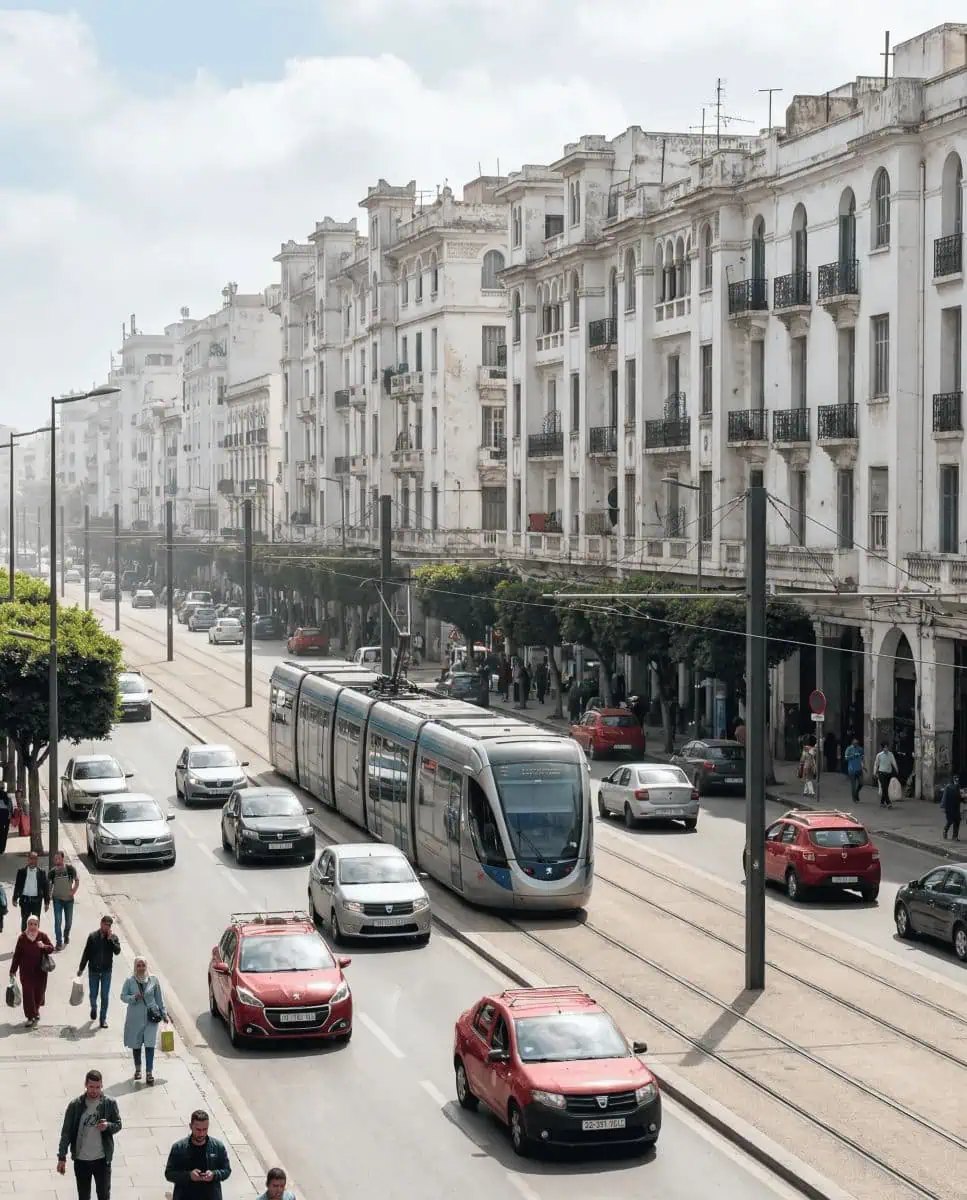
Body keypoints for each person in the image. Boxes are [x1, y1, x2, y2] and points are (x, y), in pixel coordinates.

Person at [56, 1068, 122, 1200]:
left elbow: (118, 1124)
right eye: (91, 1087)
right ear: (85, 1085)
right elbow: (66, 1133)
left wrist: (107, 1126)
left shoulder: (109, 1103)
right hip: (82, 1160)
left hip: (102, 1160)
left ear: (102, 1085)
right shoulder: (75, 1105)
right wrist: (62, 1157)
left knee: (104, 1195)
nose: (94, 1091)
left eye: (97, 1087)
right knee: (84, 1196)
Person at [120, 956, 168, 1085]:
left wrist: (164, 1013)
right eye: (138, 965)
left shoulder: (153, 980)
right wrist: (133, 998)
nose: (141, 968)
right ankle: (138, 1069)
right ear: (135, 967)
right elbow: (123, 996)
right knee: (136, 1044)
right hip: (135, 1018)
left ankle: (149, 1072)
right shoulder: (130, 981)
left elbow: (159, 998)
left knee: (150, 1044)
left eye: (143, 965)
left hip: (151, 1017)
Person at [164, 1109, 232, 1199]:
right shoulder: (179, 1148)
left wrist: (214, 1175)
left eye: (205, 1129)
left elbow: (226, 1170)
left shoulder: (217, 1147)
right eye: (198, 1129)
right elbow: (169, 1174)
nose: (201, 1133)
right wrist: (189, 1176)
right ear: (190, 1126)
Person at [9, 914, 54, 1026]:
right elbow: (17, 955)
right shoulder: (22, 938)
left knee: (39, 993)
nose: (32, 926)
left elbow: (51, 948)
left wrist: (44, 946)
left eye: (35, 924)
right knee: (28, 994)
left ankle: (36, 1010)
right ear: (27, 925)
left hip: (40, 972)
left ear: (38, 925)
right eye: (30, 924)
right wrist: (13, 970)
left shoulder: (42, 936)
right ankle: (30, 1016)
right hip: (26, 972)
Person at [77, 915, 121, 1028]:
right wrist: (81, 968)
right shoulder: (93, 936)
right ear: (101, 923)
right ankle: (94, 1007)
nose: (106, 927)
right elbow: (86, 953)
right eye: (105, 924)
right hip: (93, 971)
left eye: (108, 925)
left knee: (105, 996)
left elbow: (117, 951)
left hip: (106, 971)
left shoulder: (113, 938)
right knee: (93, 994)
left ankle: (103, 1019)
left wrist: (110, 939)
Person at [12, 850, 50, 932]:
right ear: (28, 859)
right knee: (25, 921)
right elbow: (17, 886)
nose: (33, 861)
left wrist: (47, 902)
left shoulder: (42, 872)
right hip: (25, 900)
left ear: (37, 860)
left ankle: (34, 940)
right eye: (31, 858)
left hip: (37, 901)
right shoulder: (21, 872)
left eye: (35, 859)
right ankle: (24, 940)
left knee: (36, 922)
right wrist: (14, 898)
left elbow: (45, 888)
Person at [50, 850, 80, 950]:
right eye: (55, 859)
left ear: (63, 858)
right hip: (57, 900)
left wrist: (74, 890)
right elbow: (49, 884)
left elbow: (77, 880)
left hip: (69, 900)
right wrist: (49, 895)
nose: (57, 860)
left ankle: (66, 935)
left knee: (69, 922)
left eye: (58, 858)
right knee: (57, 922)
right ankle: (59, 942)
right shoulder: (53, 871)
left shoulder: (70, 869)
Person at [873, 741, 898, 808]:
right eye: (884, 747)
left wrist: (896, 769)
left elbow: (893, 762)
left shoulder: (891, 754)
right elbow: (876, 764)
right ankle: (888, 802)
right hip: (881, 773)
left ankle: (882, 802)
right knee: (884, 787)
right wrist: (874, 772)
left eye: (887, 747)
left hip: (888, 773)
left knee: (885, 788)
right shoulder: (879, 755)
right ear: (882, 748)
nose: (886, 749)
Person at [941, 775, 962, 842]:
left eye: (957, 780)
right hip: (949, 807)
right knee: (950, 821)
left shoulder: (958, 787)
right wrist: (943, 807)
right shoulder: (948, 787)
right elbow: (944, 797)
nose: (957, 781)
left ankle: (955, 836)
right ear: (952, 780)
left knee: (957, 821)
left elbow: (958, 796)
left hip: (956, 807)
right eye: (955, 780)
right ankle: (945, 830)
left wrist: (963, 798)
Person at [845, 737, 865, 803]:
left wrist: (863, 766)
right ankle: (854, 799)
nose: (856, 744)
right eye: (855, 743)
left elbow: (862, 757)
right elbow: (846, 758)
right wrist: (853, 755)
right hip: (851, 769)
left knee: (861, 783)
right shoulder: (849, 749)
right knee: (853, 785)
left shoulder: (860, 749)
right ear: (852, 742)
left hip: (859, 769)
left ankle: (856, 793)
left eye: (857, 743)